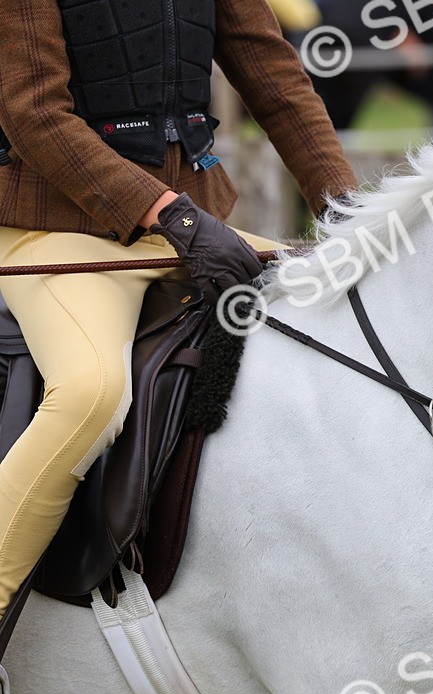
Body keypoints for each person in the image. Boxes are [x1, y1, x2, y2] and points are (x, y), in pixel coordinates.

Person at [0, 0, 359, 619]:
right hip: (59, 229)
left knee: (352, 323)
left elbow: (275, 79)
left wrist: (356, 218)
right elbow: (35, 115)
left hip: (192, 226)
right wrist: (169, 213)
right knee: (91, 394)